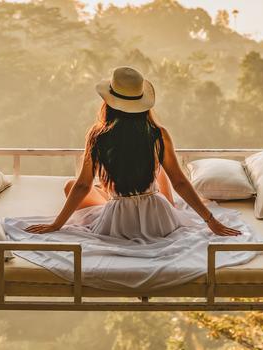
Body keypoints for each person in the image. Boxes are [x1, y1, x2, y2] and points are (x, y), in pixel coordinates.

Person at [25, 66, 241, 238]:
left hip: (119, 220)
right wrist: (210, 220)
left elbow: (83, 185)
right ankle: (169, 205)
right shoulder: (157, 133)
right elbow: (180, 182)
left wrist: (56, 224)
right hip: (159, 217)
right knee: (160, 170)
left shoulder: (98, 135)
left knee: (71, 186)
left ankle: (113, 194)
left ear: (108, 101)